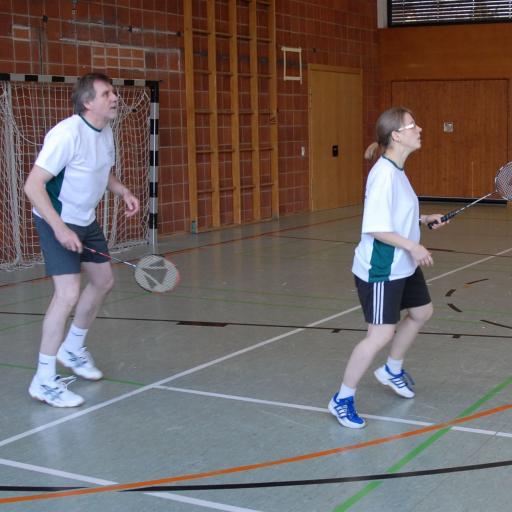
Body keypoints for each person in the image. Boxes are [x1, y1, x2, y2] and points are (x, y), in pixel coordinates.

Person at [24, 72, 139, 408]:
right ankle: (44, 380)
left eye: (113, 92)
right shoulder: (66, 134)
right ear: (88, 102)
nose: (114, 98)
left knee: (103, 281)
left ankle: (72, 348)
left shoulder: (105, 131)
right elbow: (33, 185)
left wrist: (122, 191)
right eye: (106, 94)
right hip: (56, 219)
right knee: (68, 294)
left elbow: (101, 171)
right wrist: (60, 228)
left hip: (85, 220)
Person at [328, 107, 447, 428]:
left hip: (402, 264)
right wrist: (414, 246)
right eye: (412, 125)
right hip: (381, 268)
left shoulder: (397, 170)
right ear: (396, 135)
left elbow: (395, 214)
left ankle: (392, 369)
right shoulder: (383, 175)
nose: (419, 129)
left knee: (421, 312)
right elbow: (376, 227)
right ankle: (342, 398)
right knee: (379, 335)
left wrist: (423, 219)